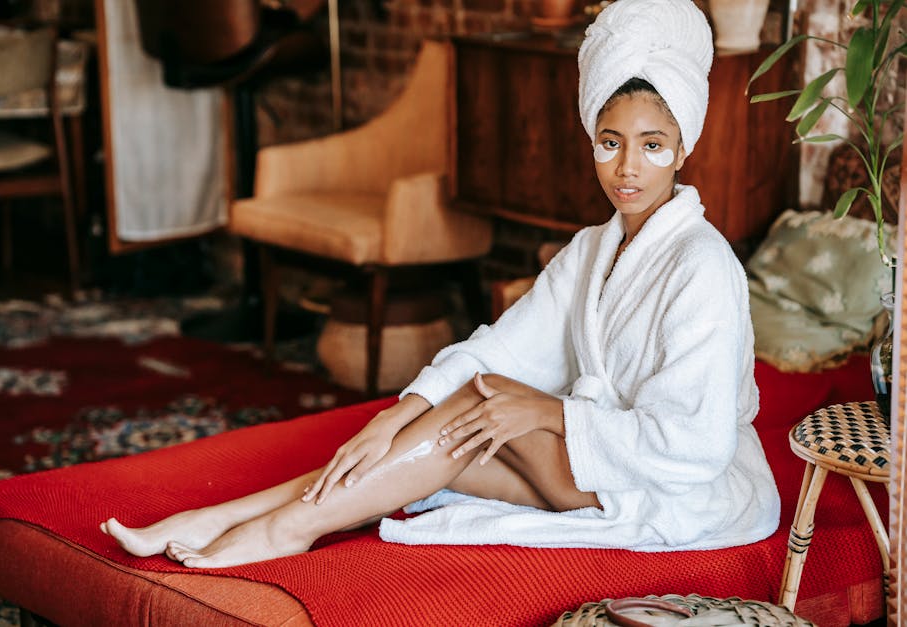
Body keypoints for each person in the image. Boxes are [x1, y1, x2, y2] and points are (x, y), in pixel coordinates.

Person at [101, 0, 780, 568]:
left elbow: (694, 446)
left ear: (683, 148)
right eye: (610, 142)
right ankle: (231, 516)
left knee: (479, 403)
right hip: (591, 465)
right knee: (420, 448)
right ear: (592, 140)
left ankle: (284, 529)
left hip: (666, 490)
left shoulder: (702, 264)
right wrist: (392, 416)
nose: (627, 167)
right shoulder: (593, 248)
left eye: (652, 145)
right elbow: (499, 349)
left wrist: (547, 413)